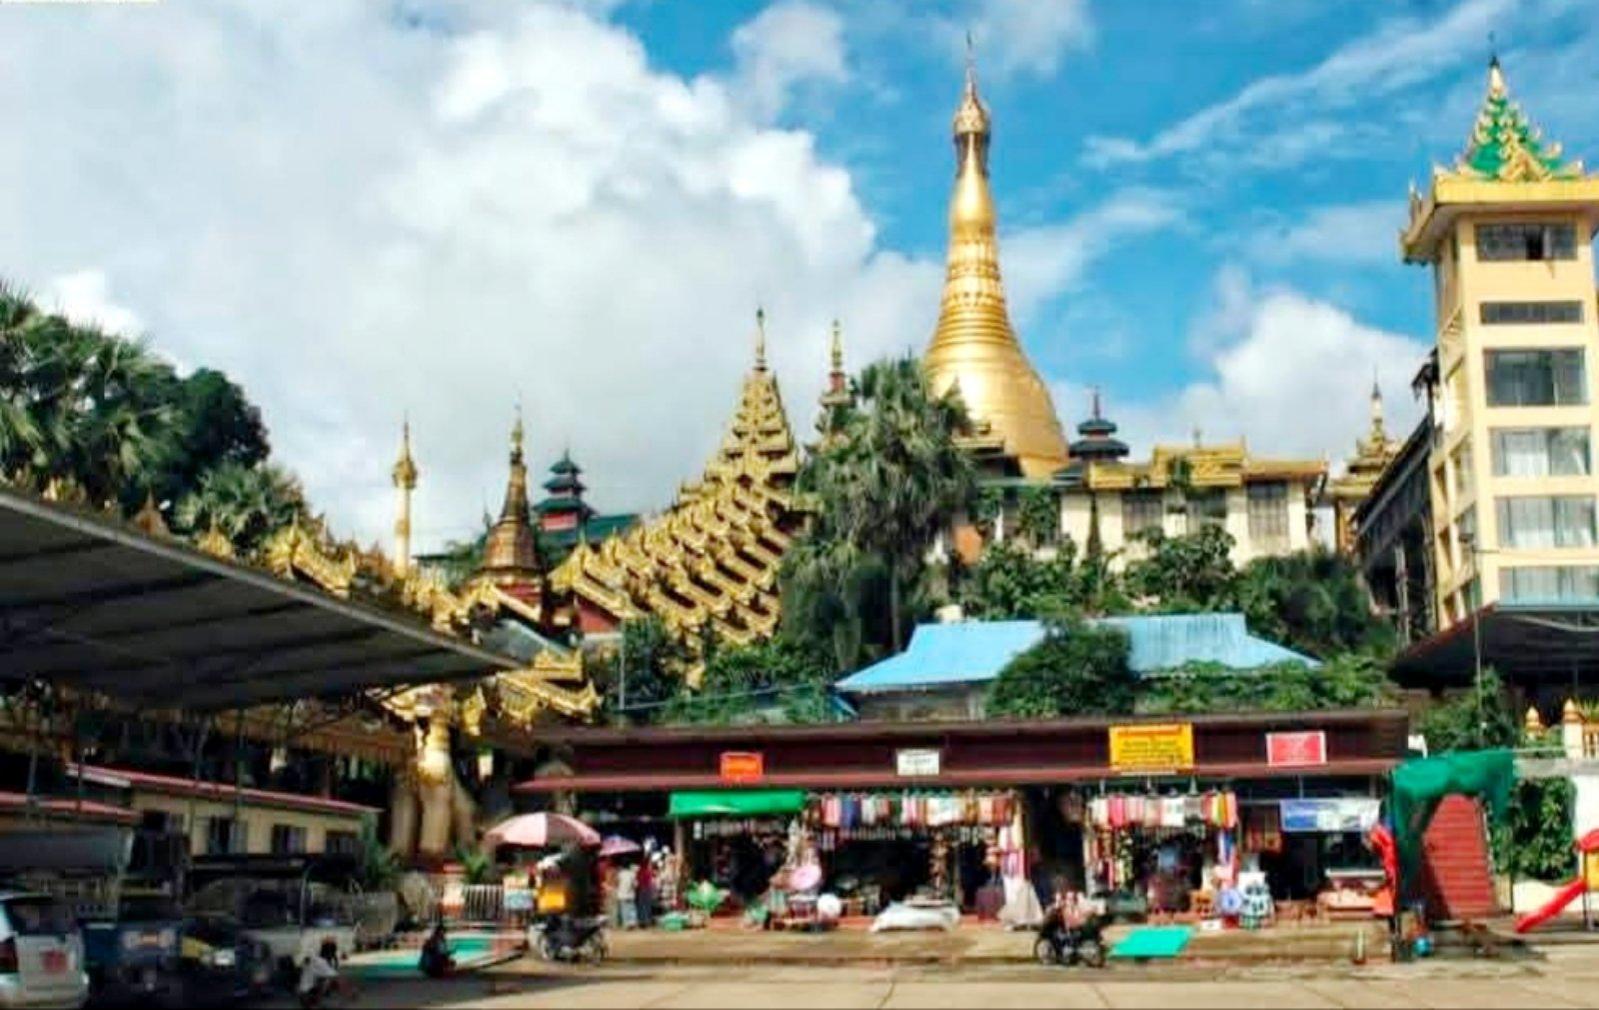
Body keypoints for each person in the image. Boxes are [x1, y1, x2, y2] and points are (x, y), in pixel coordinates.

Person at [297, 938, 352, 1008]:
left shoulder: (315, 956)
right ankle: (314, 1003)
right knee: (330, 980)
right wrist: (349, 993)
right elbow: (338, 979)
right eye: (334, 952)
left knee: (327, 979)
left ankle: (314, 1001)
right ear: (330, 953)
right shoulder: (321, 963)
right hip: (307, 996)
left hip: (304, 992)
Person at [616, 861, 639, 929]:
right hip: (630, 894)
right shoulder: (632, 874)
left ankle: (626, 924)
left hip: (622, 894)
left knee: (624, 909)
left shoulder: (620, 874)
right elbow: (635, 884)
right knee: (631, 909)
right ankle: (632, 923)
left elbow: (617, 883)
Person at [636, 856, 656, 929]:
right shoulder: (647, 871)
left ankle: (642, 921)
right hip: (647, 889)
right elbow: (649, 882)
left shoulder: (639, 871)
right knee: (647, 906)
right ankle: (647, 920)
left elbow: (638, 880)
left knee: (641, 906)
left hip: (642, 889)